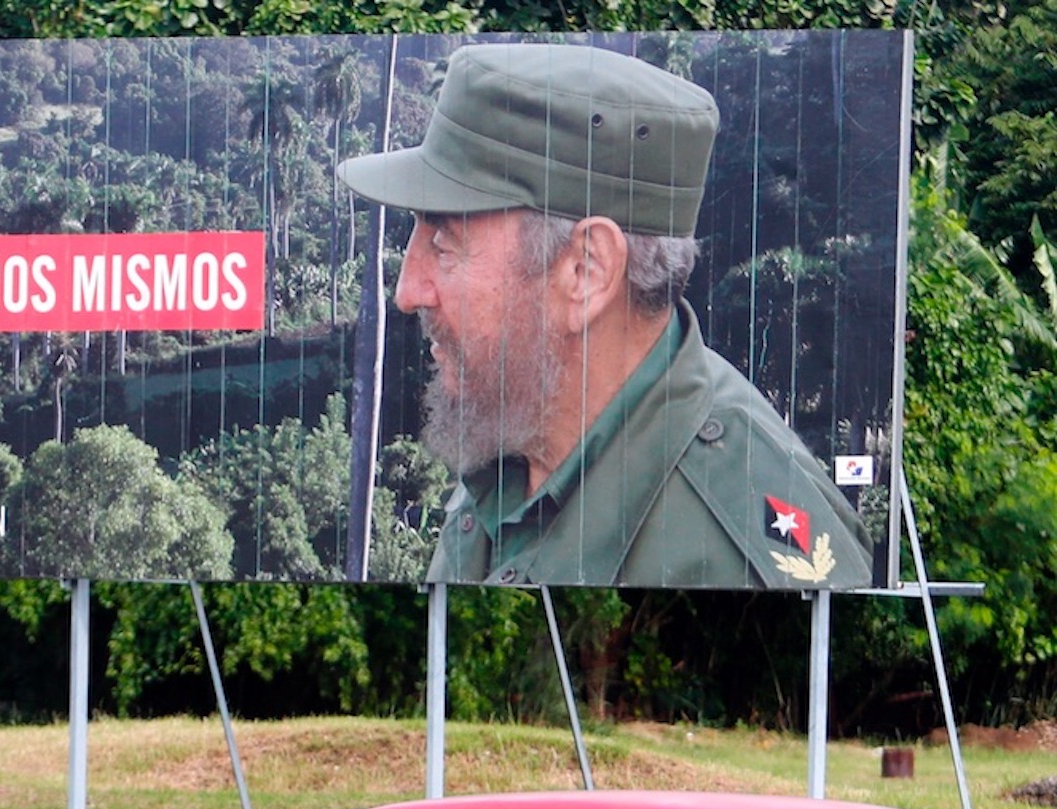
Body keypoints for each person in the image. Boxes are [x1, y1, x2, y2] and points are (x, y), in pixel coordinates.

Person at [337, 43, 874, 590]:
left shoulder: (738, 562)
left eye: (444, 244)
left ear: (586, 272)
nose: (408, 291)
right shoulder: (517, 433)